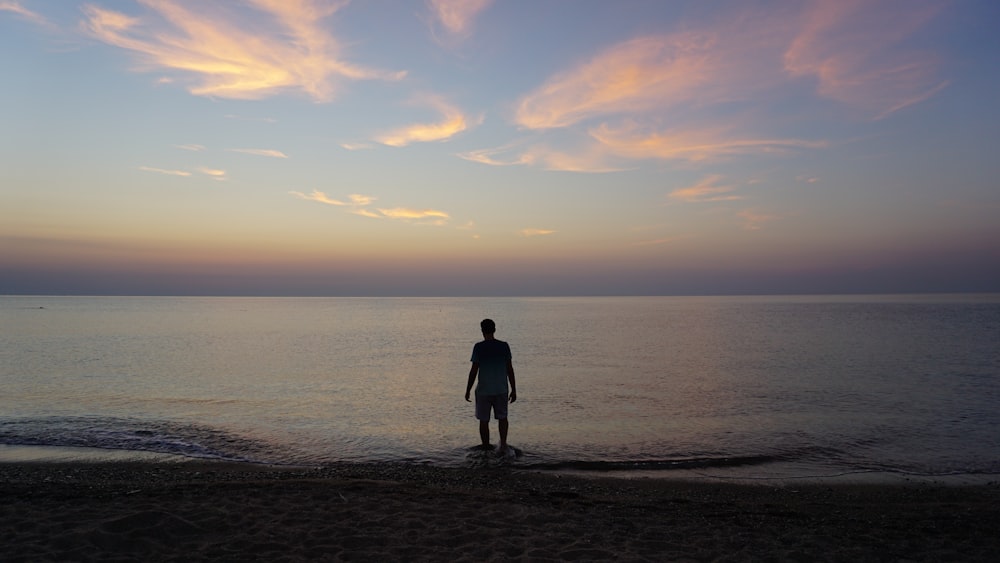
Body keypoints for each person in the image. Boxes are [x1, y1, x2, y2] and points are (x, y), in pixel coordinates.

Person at [464, 318, 517, 453]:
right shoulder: (504, 346)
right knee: (503, 418)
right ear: (494, 330)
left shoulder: (479, 347)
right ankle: (503, 446)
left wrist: (468, 389)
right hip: (501, 389)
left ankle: (486, 448)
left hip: (484, 390)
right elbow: (509, 369)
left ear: (482, 331)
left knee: (483, 420)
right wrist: (514, 389)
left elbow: (474, 370)